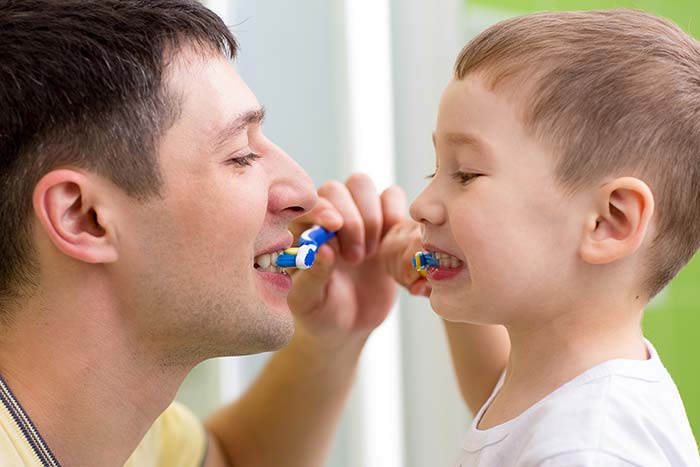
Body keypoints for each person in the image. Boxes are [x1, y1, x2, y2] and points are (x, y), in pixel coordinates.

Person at [0, 1, 406, 466]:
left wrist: (332, 336)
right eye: (240, 155)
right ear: (83, 216)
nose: (303, 192)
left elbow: (232, 460)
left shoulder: (116, 427)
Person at [381, 8, 700, 466]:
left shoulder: (591, 449)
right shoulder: (562, 385)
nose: (421, 205)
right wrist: (446, 267)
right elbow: (501, 409)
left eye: (466, 174)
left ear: (609, 221)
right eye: (438, 170)